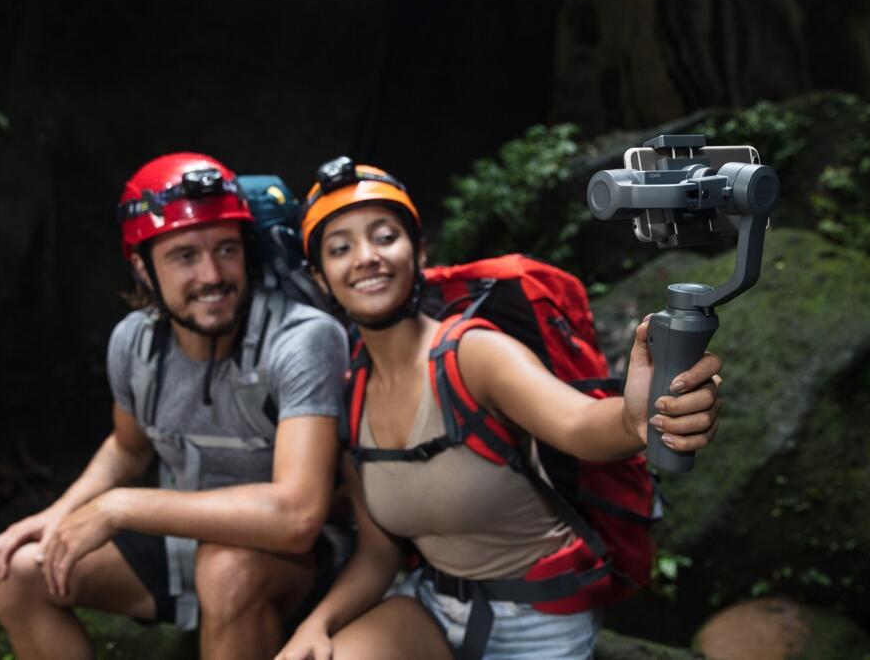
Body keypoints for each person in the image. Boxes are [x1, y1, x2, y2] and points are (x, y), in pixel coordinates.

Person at [275, 159, 724, 660]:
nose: (366, 258)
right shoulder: (350, 391)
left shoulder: (473, 354)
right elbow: (379, 555)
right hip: (431, 605)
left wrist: (632, 420)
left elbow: (576, 423)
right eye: (340, 248)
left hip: (540, 619)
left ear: (418, 251)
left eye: (384, 236)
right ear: (320, 278)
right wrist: (313, 628)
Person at [0, 153, 349, 660]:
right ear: (143, 269)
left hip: (299, 557)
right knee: (18, 572)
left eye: (226, 249)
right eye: (184, 256)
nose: (212, 275)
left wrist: (122, 507)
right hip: (183, 546)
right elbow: (127, 451)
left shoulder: (300, 340)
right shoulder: (135, 345)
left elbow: (297, 515)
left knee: (227, 568)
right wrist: (57, 515)